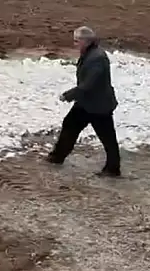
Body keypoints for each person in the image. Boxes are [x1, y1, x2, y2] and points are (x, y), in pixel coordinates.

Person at [47, 26, 121, 177]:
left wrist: (69, 95)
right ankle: (56, 157)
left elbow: (88, 84)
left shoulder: (97, 58)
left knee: (107, 138)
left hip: (98, 106)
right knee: (69, 125)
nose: (74, 44)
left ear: (85, 41)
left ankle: (112, 169)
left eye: (76, 41)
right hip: (86, 103)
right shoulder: (90, 53)